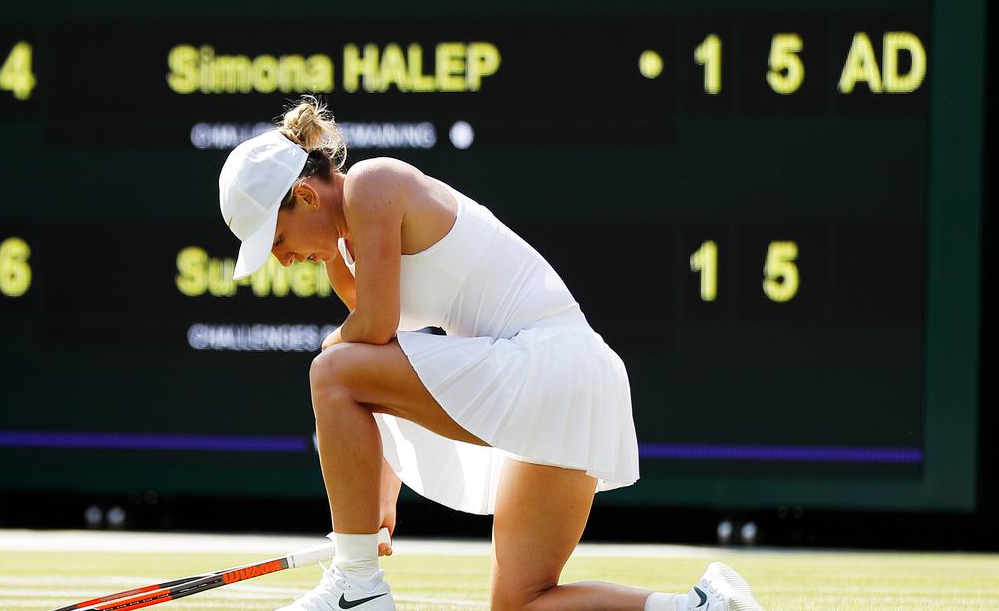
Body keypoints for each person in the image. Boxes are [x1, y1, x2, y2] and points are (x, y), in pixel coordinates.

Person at [218, 96, 762, 611]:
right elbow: (377, 382)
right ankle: (700, 606)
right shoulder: (344, 259)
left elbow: (373, 332)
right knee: (522, 601)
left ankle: (356, 588)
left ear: (308, 197)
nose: (284, 261)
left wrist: (356, 557)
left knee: (329, 368)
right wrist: (377, 509)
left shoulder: (372, 183)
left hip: (551, 364)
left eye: (278, 240)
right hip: (571, 386)